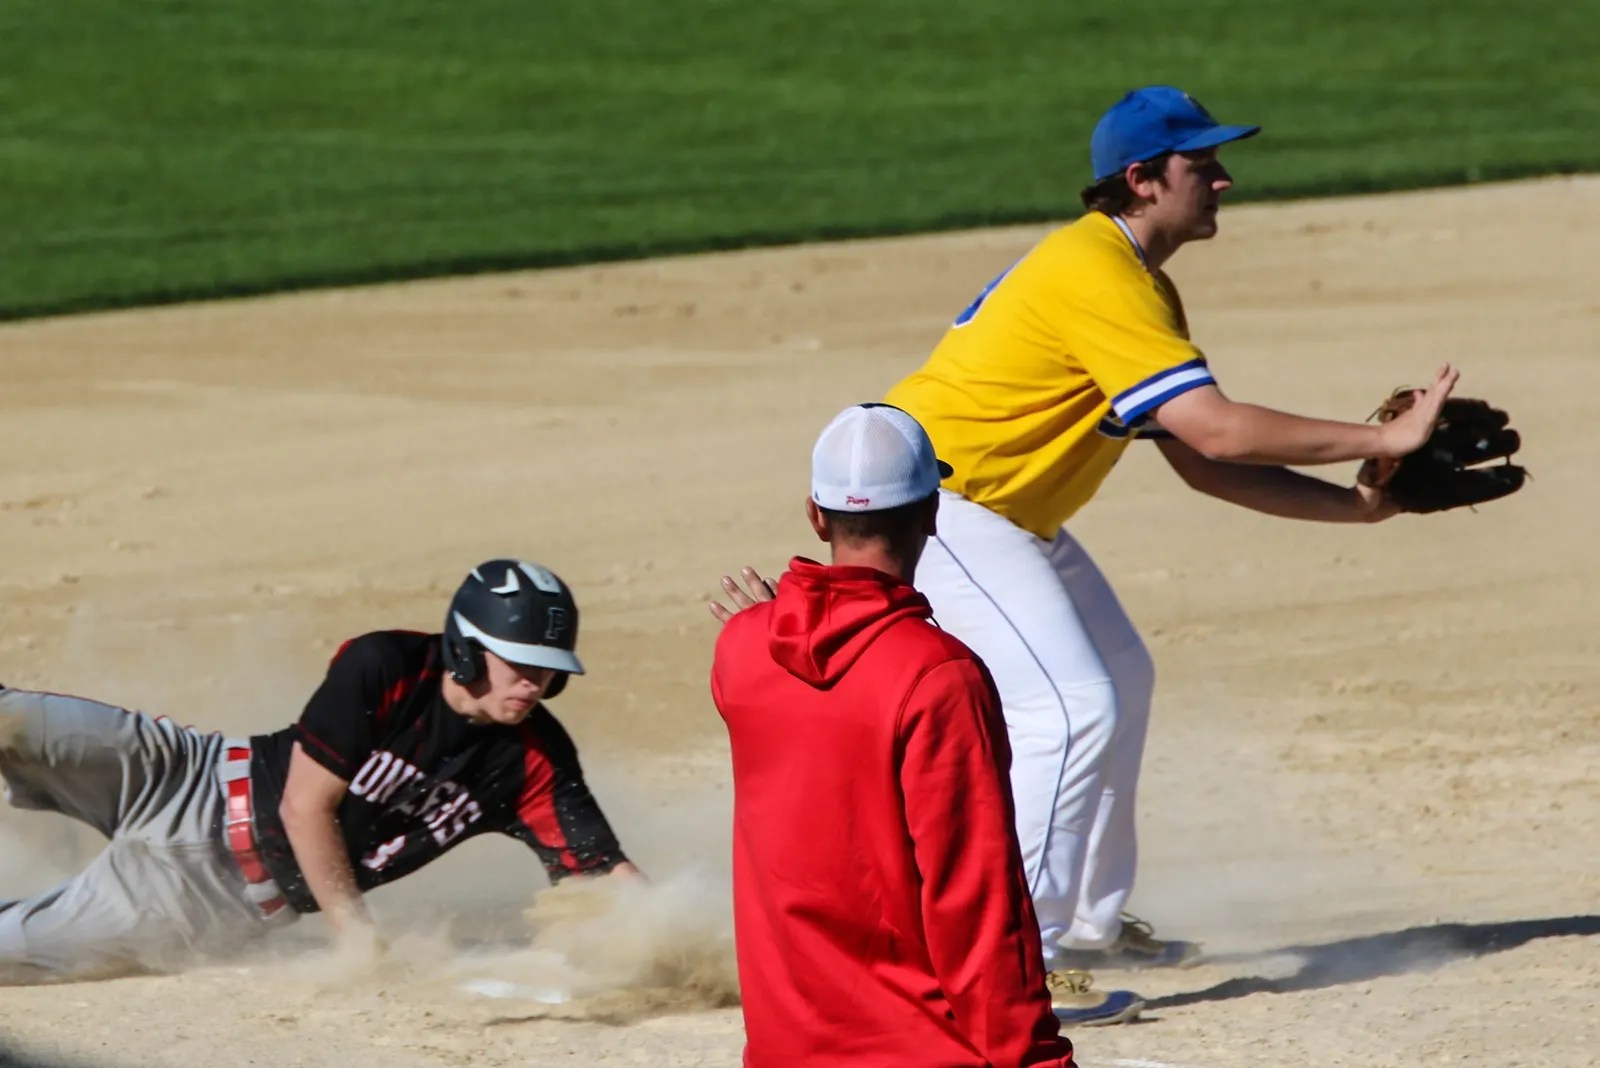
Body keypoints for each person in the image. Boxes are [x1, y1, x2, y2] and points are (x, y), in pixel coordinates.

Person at [869, 84, 1460, 1001]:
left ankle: (1090, 925)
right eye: (1203, 163)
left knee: (1121, 679)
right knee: (1071, 708)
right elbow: (1219, 430)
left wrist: (1358, 508)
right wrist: (1384, 437)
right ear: (1142, 179)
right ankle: (1012, 959)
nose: (1224, 180)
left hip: (1003, 515)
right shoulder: (1095, 272)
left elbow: (1201, 463)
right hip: (941, 511)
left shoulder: (1138, 283)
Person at [1, 558, 637, 982]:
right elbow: (304, 805)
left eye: (549, 669)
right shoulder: (385, 666)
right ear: (466, 648)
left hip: (202, 900)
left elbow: (606, 877)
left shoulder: (535, 762)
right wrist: (356, 936)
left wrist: (678, 935)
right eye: (520, 662)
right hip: (182, 771)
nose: (535, 682)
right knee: (12, 719)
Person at [710, 402, 1102, 1068]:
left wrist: (771, 621)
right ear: (931, 514)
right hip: (922, 1050)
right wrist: (1037, 1060)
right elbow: (977, 898)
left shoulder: (742, 649)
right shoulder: (939, 676)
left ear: (816, 516)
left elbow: (809, 679)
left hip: (784, 1053)